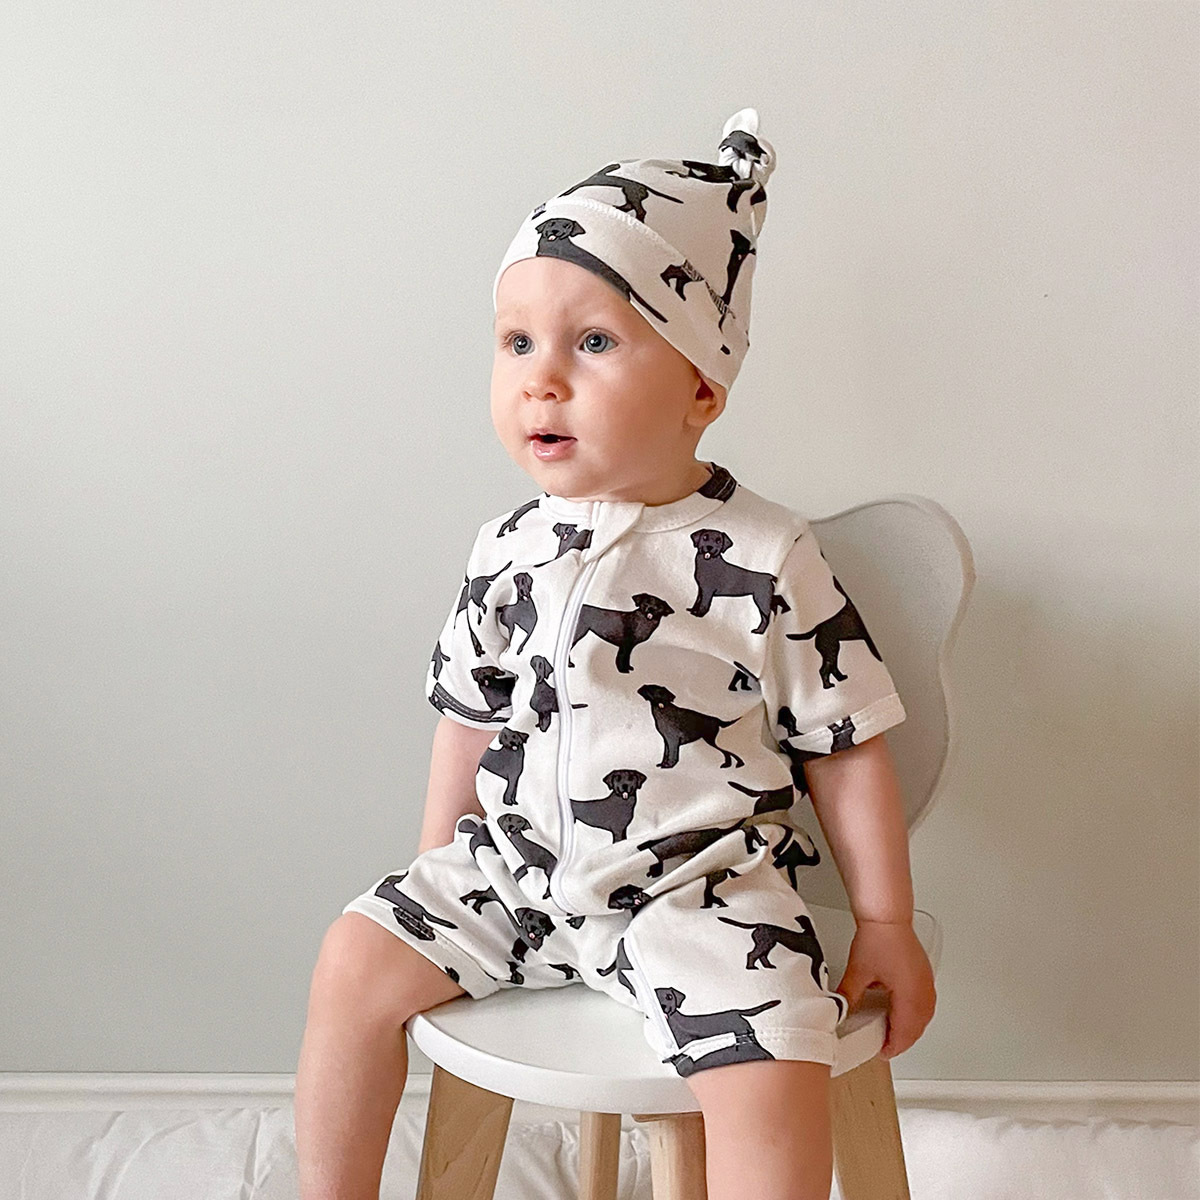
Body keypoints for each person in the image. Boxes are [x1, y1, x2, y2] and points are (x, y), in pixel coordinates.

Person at [295, 107, 937, 1200]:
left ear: (701, 388)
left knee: (773, 1060)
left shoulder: (763, 553)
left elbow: (844, 742)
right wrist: (435, 869)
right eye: (516, 344)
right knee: (351, 958)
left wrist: (885, 920)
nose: (541, 378)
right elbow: (468, 719)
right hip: (515, 870)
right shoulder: (505, 547)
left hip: (697, 888)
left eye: (592, 343)